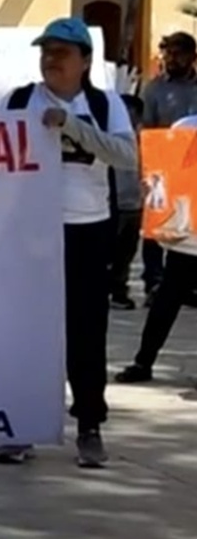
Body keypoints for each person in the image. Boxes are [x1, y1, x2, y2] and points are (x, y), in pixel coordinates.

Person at [0, 17, 137, 469]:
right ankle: (24, 426)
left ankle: (89, 425)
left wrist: (72, 125)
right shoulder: (17, 101)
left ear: (85, 61)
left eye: (62, 51)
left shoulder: (104, 103)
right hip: (30, 233)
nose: (51, 59)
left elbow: (126, 156)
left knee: (86, 335)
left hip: (87, 231)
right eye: (46, 50)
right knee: (29, 333)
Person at [114, 111, 197, 384]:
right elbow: (162, 177)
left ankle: (143, 361)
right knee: (167, 300)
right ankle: (143, 361)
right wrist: (161, 223)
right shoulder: (184, 128)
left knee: (168, 299)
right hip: (185, 234)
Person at [139, 32, 197, 304]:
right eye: (169, 53)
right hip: (162, 166)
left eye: (179, 53)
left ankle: (188, 284)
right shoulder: (153, 89)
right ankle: (154, 281)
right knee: (157, 222)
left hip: (193, 168)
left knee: (189, 222)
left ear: (192, 57)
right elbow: (146, 127)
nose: (172, 59)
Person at [109, 94, 144, 311]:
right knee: (108, 252)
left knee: (127, 252)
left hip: (136, 205)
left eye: (133, 116)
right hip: (115, 205)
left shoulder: (145, 144)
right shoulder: (112, 142)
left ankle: (119, 290)